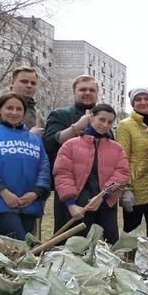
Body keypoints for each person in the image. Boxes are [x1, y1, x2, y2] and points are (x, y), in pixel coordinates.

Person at [0, 92, 50, 240]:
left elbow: (44, 169)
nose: (14, 112)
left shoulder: (35, 140)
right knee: (18, 244)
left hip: (27, 205)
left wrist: (35, 193)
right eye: (9, 108)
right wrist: (4, 193)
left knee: (22, 250)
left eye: (19, 109)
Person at [53, 104, 130, 245]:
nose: (105, 125)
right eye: (102, 119)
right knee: (76, 248)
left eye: (110, 122)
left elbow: (122, 173)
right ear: (91, 116)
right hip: (78, 206)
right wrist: (71, 204)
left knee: (109, 247)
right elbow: (62, 174)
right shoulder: (70, 145)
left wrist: (103, 195)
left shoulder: (117, 149)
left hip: (106, 205)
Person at [43, 75, 99, 233]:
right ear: (74, 92)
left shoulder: (103, 118)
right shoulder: (60, 115)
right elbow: (49, 143)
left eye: (92, 90)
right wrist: (77, 127)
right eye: (82, 89)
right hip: (70, 188)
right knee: (69, 239)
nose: (87, 93)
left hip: (98, 190)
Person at [115, 87, 148, 243]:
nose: (143, 102)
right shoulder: (125, 125)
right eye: (138, 99)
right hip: (136, 190)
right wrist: (126, 189)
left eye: (146, 99)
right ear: (132, 103)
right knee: (131, 236)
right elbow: (122, 158)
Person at [0, 65, 44, 135]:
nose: (29, 86)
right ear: (12, 83)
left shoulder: (34, 110)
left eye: (33, 83)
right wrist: (30, 136)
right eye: (24, 82)